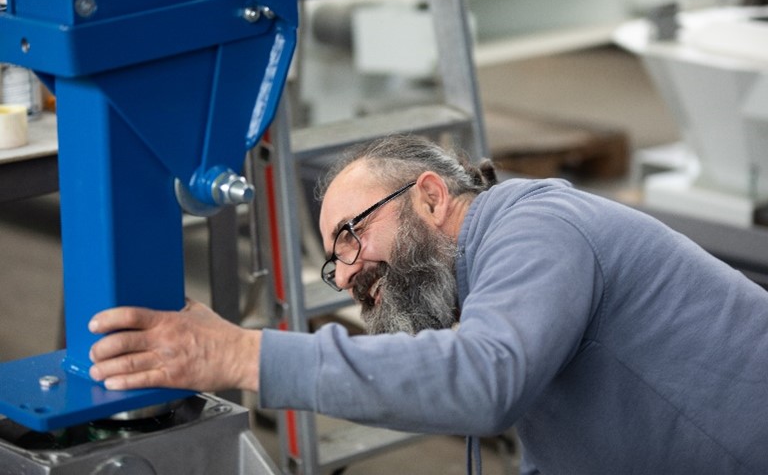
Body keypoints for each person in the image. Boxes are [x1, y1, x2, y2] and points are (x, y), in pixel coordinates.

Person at [89, 134, 768, 474]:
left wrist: (241, 353)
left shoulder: (535, 227)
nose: (348, 273)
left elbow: (483, 381)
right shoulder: (484, 289)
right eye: (334, 260)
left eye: (351, 236)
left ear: (431, 197)